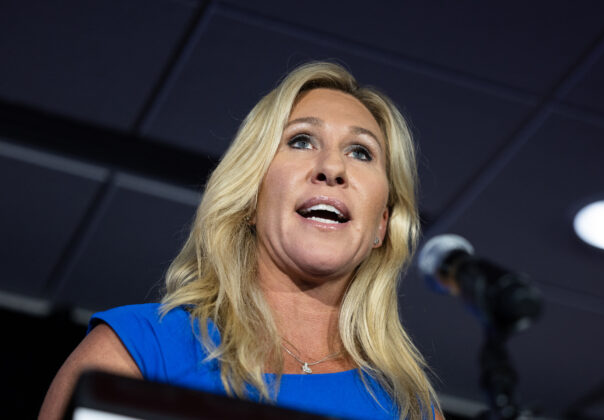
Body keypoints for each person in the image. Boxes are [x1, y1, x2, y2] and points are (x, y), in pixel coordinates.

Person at [39, 62, 443, 420]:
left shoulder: (411, 407)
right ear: (251, 197)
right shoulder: (139, 350)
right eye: (301, 141)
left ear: (381, 226)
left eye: (361, 152)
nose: (333, 167)